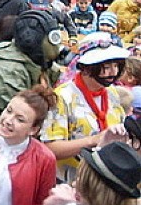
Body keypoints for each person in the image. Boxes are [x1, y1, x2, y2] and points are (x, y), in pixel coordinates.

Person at [42, 34, 129, 182]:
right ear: (86, 68)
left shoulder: (112, 93)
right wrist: (93, 140)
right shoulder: (62, 97)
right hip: (70, 181)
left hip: (104, 181)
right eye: (106, 67)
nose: (112, 72)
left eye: (116, 66)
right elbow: (50, 148)